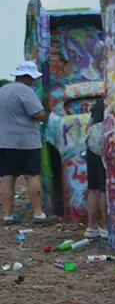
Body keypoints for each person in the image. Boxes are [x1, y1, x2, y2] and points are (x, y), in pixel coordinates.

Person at [0, 61, 56, 225]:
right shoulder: (26, 91)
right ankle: (39, 214)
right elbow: (38, 114)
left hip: (4, 142)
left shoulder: (3, 90)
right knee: (32, 176)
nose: (34, 81)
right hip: (25, 141)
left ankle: (8, 215)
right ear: (27, 77)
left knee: (8, 177)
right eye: (32, 78)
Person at [84, 97, 108, 239]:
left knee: (94, 188)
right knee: (105, 188)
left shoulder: (100, 101)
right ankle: (106, 227)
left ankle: (92, 227)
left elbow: (89, 125)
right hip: (104, 145)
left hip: (92, 145)